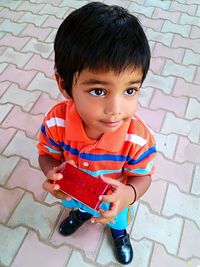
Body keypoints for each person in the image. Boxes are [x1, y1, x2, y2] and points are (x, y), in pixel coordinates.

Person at [37, 2, 156, 265]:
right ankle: (80, 215)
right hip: (77, 193)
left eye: (130, 90)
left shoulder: (137, 139)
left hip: (115, 201)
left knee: (117, 218)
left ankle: (120, 234)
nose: (116, 110)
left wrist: (128, 195)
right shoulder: (56, 123)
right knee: (80, 207)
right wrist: (51, 172)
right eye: (99, 91)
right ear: (64, 85)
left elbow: (143, 177)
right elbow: (46, 154)